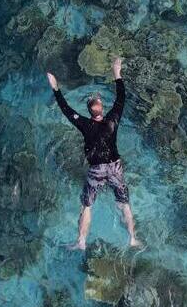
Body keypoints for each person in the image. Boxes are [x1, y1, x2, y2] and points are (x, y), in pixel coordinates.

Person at [47, 57, 143, 250]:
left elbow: (66, 109)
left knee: (87, 206)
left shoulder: (83, 124)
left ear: (90, 112)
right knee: (124, 203)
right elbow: (121, 98)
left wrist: (56, 88)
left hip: (97, 170)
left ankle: (81, 242)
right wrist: (117, 72)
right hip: (115, 166)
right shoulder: (112, 120)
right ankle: (132, 239)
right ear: (102, 109)